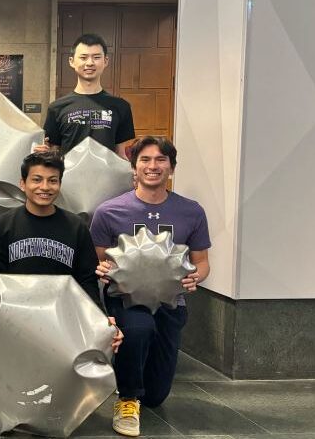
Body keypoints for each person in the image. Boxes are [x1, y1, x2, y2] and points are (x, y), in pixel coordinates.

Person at [90, 136, 210, 437]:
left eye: (160, 160)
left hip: (171, 304)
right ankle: (127, 399)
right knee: (138, 328)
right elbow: (97, 261)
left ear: (171, 168)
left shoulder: (191, 211)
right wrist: (102, 270)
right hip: (126, 301)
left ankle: (139, 387)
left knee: (155, 397)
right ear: (134, 167)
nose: (152, 166)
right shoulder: (109, 212)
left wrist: (197, 276)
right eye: (145, 160)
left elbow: (203, 262)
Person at [0, 152, 122, 343]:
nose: (45, 187)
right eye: (37, 180)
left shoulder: (76, 227)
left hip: (62, 320)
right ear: (23, 183)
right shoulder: (3, 225)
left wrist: (101, 318)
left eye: (52, 181)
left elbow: (86, 281)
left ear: (60, 184)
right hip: (11, 318)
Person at [36, 33, 135, 157]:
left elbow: (121, 154)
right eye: (83, 57)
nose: (90, 63)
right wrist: (43, 152)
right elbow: (54, 151)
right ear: (71, 61)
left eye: (96, 57)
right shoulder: (57, 108)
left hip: (106, 176)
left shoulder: (121, 106)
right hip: (68, 176)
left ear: (105, 61)